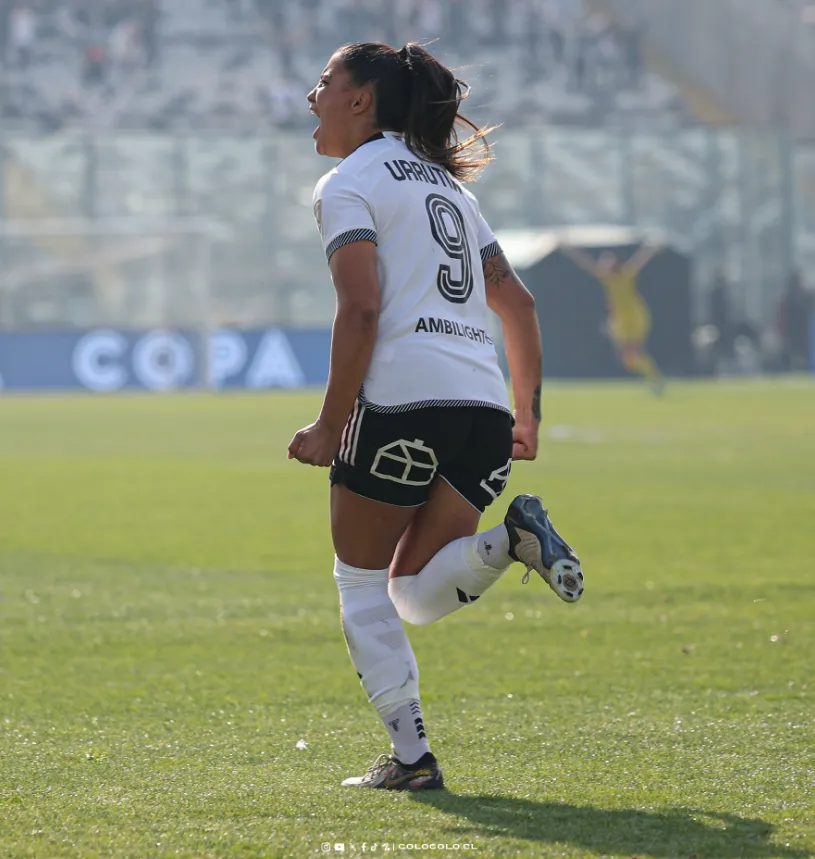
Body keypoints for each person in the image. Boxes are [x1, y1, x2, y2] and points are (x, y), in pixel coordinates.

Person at [288, 41, 584, 792]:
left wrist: (328, 425)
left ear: (360, 100)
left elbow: (360, 307)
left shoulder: (347, 183)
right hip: (480, 406)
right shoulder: (452, 192)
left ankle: (413, 760)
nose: (310, 96)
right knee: (413, 594)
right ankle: (510, 540)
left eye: (324, 82)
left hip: (401, 398)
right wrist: (527, 413)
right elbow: (515, 303)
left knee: (359, 584)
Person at [561, 244, 664, 393]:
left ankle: (655, 378)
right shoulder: (606, 278)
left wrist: (652, 248)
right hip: (620, 319)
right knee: (627, 358)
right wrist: (570, 251)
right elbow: (586, 263)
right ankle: (654, 376)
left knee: (635, 352)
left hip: (635, 316)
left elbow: (640, 259)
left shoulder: (627, 274)